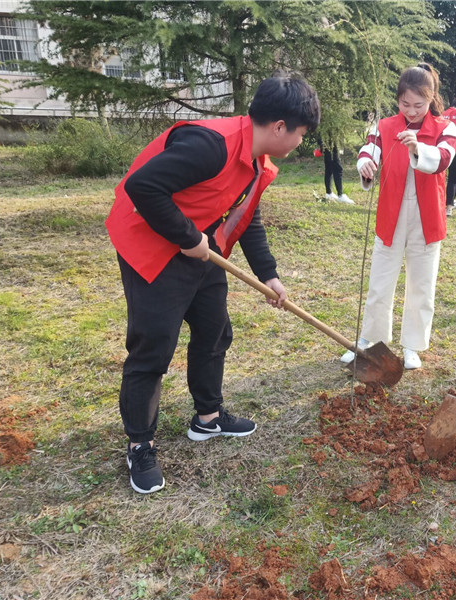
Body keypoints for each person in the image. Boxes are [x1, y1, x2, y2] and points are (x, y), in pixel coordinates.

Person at [106, 75, 320, 493]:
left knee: (214, 330)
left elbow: (247, 216)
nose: (299, 142)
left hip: (202, 246)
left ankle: (207, 417)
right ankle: (140, 444)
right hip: (152, 246)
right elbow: (142, 186)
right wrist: (187, 238)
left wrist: (269, 275)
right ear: (279, 127)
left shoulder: (257, 162)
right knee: (153, 346)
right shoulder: (212, 145)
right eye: (300, 133)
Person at [339, 63, 456, 370]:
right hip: (390, 214)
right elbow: (370, 150)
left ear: (430, 99)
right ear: (398, 100)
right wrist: (365, 166)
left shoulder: (445, 128)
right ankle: (370, 341)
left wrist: (418, 147)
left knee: (422, 283)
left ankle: (413, 345)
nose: (412, 110)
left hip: (427, 216)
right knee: (380, 280)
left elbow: (443, 159)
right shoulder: (386, 126)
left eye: (419, 105)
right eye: (405, 104)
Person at [317, 139, 354, 204]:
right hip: (332, 145)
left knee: (329, 169)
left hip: (328, 144)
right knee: (337, 169)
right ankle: (340, 195)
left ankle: (329, 193)